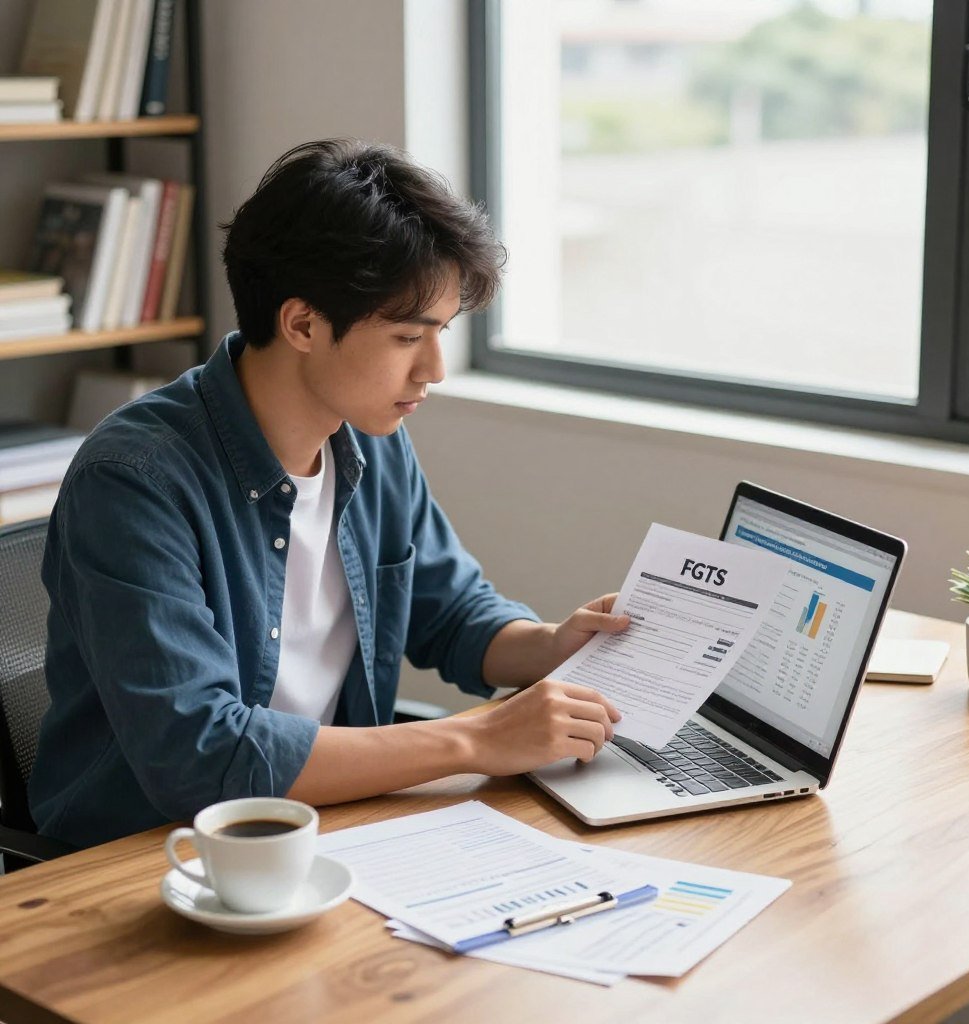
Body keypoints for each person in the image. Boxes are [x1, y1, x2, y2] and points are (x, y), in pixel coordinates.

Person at [29, 139, 627, 849]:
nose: (434, 369)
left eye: (442, 333)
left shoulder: (370, 439)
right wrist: (475, 740)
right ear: (303, 324)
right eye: (410, 336)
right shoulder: (135, 479)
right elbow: (201, 754)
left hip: (327, 828)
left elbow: (451, 614)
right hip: (149, 854)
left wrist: (552, 644)